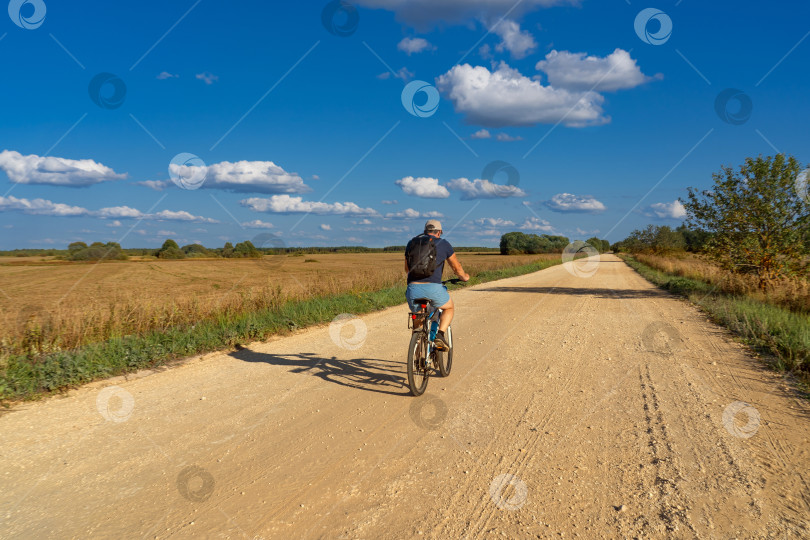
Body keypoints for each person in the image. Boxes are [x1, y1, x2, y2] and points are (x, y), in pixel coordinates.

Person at [404, 219, 470, 350]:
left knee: (418, 322)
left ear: (425, 231)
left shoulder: (412, 243)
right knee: (449, 308)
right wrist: (464, 277)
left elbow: (407, 269)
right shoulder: (444, 244)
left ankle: (416, 355)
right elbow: (457, 268)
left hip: (413, 288)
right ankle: (440, 335)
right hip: (433, 288)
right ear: (439, 232)